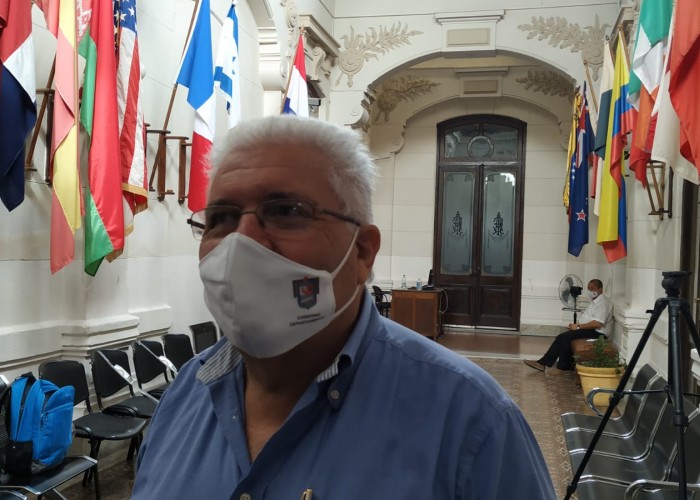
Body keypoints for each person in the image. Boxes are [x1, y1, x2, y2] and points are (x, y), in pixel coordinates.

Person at [131, 115, 556, 499]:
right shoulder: (185, 395)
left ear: (362, 252)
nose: (242, 241)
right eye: (221, 218)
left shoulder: (472, 423)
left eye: (286, 211)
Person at [524, 279, 613, 374]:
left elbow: (597, 323)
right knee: (565, 338)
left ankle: (545, 364)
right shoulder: (595, 301)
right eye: (589, 289)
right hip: (591, 330)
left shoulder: (603, 303)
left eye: (593, 288)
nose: (590, 291)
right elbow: (590, 319)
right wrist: (576, 325)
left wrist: (578, 328)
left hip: (598, 333)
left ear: (600, 289)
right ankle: (563, 366)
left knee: (563, 337)